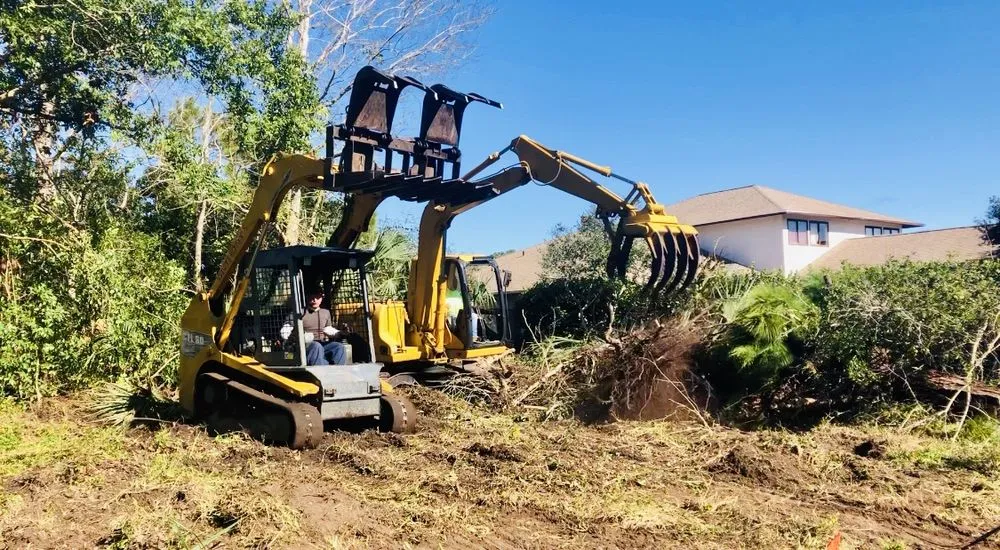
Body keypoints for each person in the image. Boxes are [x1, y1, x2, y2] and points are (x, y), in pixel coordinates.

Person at [279, 288, 350, 366]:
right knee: (316, 346)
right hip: (303, 346)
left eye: (317, 297)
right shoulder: (299, 312)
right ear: (307, 297)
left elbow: (327, 329)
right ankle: (320, 372)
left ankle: (337, 372)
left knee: (339, 347)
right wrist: (294, 337)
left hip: (321, 345)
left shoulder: (326, 312)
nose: (314, 300)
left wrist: (340, 332)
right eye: (312, 297)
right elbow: (286, 329)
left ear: (322, 298)